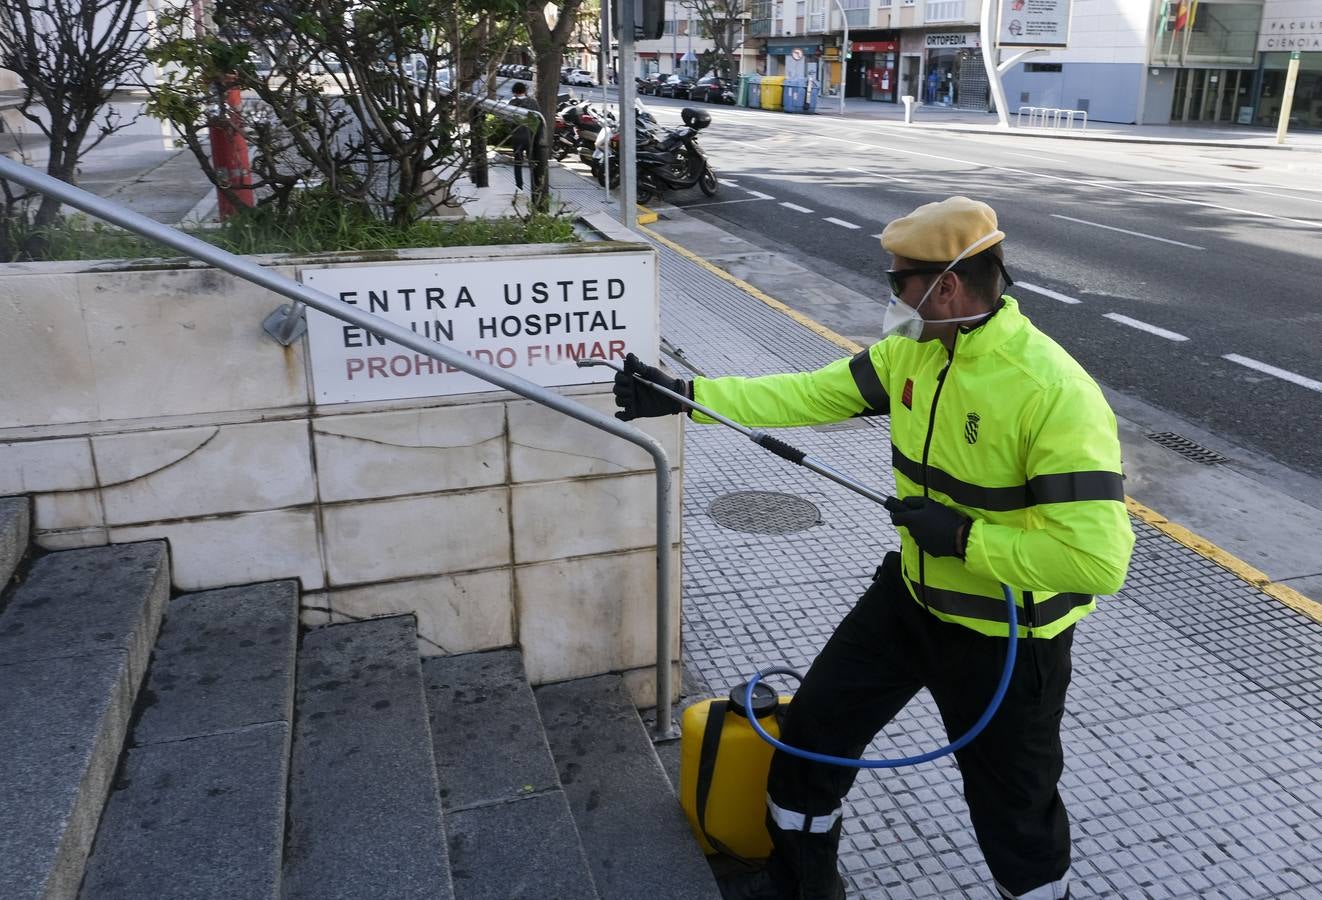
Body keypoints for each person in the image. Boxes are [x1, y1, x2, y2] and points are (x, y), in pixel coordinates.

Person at [613, 196, 1135, 900]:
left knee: (1015, 818)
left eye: (898, 282)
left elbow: (1097, 561)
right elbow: (810, 394)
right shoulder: (913, 351)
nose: (891, 295)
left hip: (1006, 637)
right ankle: (801, 888)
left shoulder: (1051, 391)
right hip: (911, 599)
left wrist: (962, 538)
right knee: (810, 739)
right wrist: (686, 394)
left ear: (946, 286)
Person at [507, 81, 543, 193]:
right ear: (524, 91)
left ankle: (519, 187)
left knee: (518, 162)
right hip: (531, 137)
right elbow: (539, 119)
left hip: (517, 137)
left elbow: (508, 119)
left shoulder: (512, 103)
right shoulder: (533, 102)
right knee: (533, 162)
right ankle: (536, 186)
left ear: (514, 92)